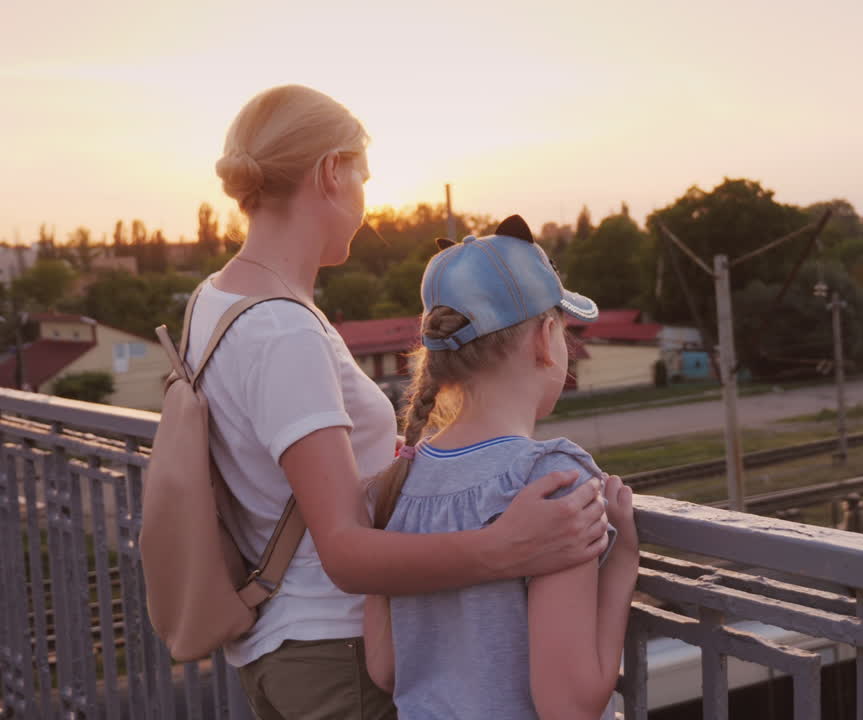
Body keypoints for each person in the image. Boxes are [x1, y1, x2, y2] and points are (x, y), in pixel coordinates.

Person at [194, 84, 612, 719]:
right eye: (362, 176)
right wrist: (506, 547)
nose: (365, 203)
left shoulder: (217, 302)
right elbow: (344, 551)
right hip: (333, 653)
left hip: (283, 645)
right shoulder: (282, 330)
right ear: (331, 173)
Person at [361, 215, 639, 720]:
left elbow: (385, 669)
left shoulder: (398, 482)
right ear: (544, 337)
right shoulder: (552, 480)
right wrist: (622, 567)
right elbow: (570, 707)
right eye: (565, 332)